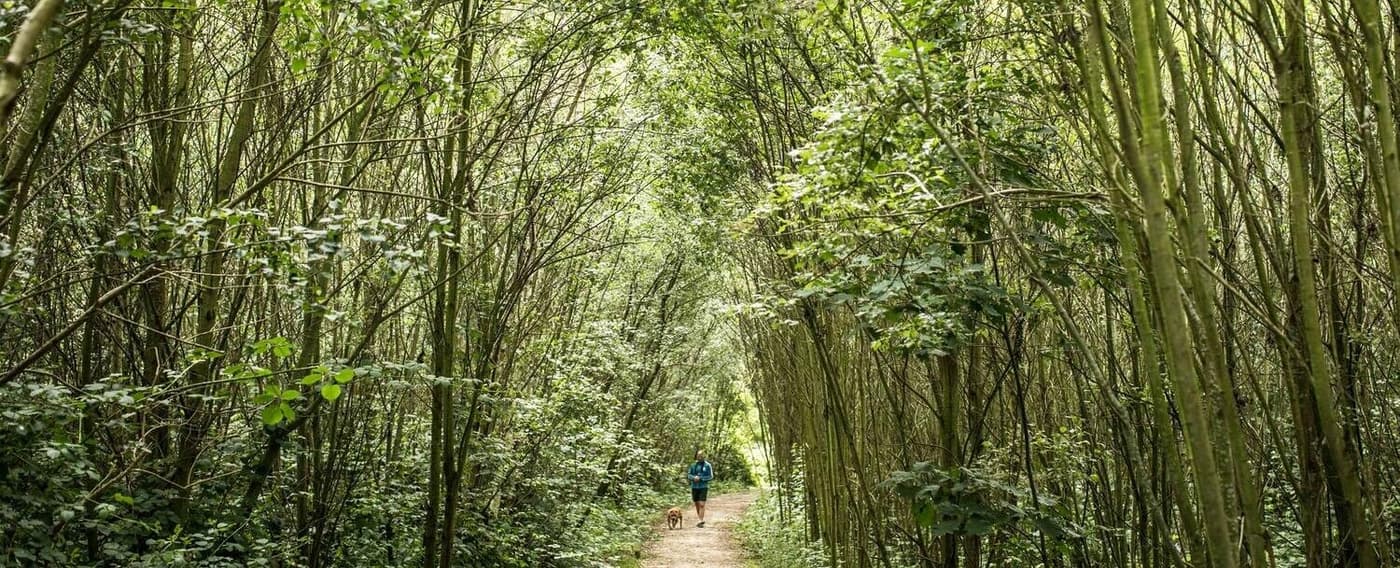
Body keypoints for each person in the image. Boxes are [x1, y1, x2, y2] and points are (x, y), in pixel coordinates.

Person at [687, 450, 714, 527]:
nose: (700, 457)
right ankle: (700, 519)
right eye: (698, 455)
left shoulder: (707, 465)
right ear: (696, 456)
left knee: (702, 504)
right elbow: (689, 475)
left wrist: (701, 478)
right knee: (697, 503)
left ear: (704, 456)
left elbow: (711, 476)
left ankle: (700, 520)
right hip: (694, 487)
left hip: (703, 487)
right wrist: (693, 477)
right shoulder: (693, 465)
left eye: (701, 455)